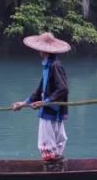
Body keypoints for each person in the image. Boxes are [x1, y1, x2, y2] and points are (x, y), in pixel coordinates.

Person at [11, 32, 71, 162]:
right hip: (52, 108)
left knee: (46, 145)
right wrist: (23, 103)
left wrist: (46, 102)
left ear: (43, 50)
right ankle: (57, 163)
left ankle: (52, 167)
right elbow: (40, 90)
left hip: (51, 110)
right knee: (54, 143)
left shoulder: (55, 66)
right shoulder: (48, 65)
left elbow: (63, 89)